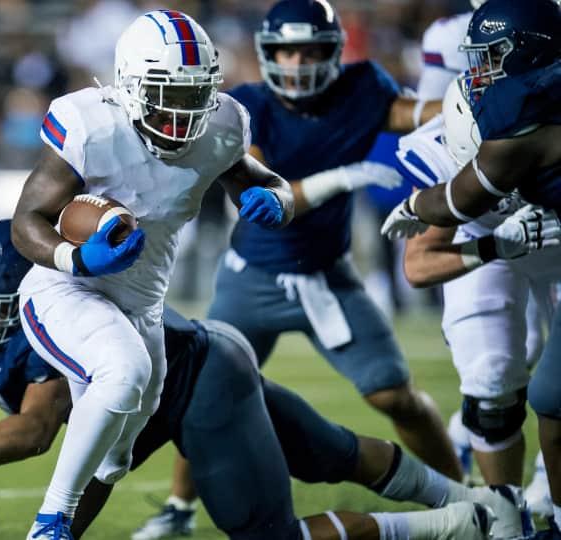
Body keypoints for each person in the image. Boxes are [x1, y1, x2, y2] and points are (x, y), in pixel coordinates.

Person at [0, 219, 527, 540]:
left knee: (268, 534)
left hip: (195, 387)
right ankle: (483, 505)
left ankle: (457, 524)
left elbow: (37, 432)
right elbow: (91, 459)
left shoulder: (45, 322)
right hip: (170, 387)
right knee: (331, 454)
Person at [134, 1, 458, 536]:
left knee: (394, 394)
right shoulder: (245, 106)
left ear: (333, 51)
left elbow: (422, 113)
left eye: (310, 49)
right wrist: (343, 175)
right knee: (203, 390)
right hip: (252, 276)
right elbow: (265, 195)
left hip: (328, 275)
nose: (298, 60)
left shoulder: (362, 88)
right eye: (287, 48)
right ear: (267, 52)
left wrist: (472, 100)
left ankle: (469, 493)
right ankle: (178, 507)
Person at [10, 9, 295, 539]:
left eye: (195, 95)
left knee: (115, 457)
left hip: (143, 305)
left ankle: (63, 531)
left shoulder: (223, 127)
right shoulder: (91, 127)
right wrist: (76, 258)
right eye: (170, 93)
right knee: (123, 373)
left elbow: (265, 180)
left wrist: (275, 199)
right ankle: (48, 523)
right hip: (65, 288)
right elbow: (25, 221)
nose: (183, 113)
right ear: (130, 84)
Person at [379, 0, 561, 537]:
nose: (478, 75)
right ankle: (507, 517)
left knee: (555, 395)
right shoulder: (461, 125)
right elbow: (418, 263)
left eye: (491, 59)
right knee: (490, 379)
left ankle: (551, 498)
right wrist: (495, 248)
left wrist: (417, 206)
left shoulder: (525, 115)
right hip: (490, 246)